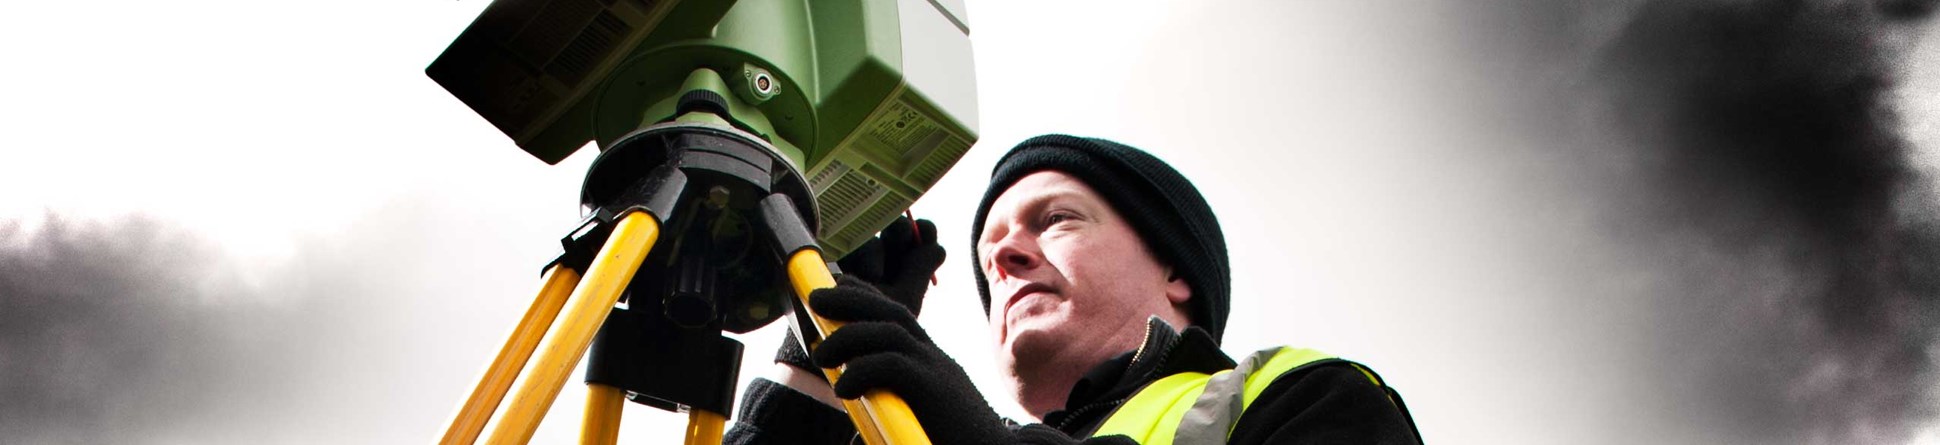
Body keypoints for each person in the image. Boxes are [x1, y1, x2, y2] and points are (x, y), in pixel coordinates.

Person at [726, 135, 1421, 444]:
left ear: (1176, 269)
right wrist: (812, 374)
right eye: (989, 253)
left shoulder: (1302, 395)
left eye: (1054, 219)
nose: (1004, 254)